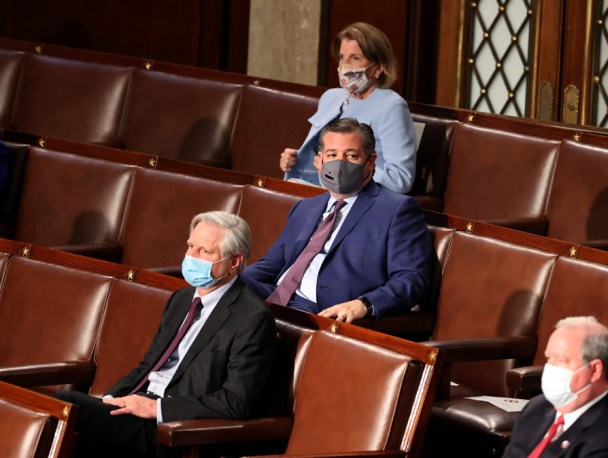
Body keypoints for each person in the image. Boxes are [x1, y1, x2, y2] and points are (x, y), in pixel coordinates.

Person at [56, 212, 277, 457]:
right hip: (139, 408)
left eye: (204, 251)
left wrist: (158, 408)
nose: (191, 256)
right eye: (190, 246)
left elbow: (235, 402)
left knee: (66, 406)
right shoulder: (181, 300)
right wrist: (110, 399)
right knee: (65, 418)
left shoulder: (252, 317)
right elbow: (147, 367)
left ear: (234, 261)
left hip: (176, 430)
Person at [242, 117, 431, 323]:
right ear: (320, 160)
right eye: (332, 155)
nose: (340, 164)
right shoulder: (305, 207)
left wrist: (364, 304)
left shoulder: (396, 209)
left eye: (351, 156)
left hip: (324, 311)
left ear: (371, 161)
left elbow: (412, 279)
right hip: (278, 297)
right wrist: (229, 280)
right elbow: (271, 264)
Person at [280, 22, 417, 194]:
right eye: (342, 57)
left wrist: (342, 171)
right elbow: (321, 159)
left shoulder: (392, 106)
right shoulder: (330, 97)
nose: (345, 66)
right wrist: (294, 160)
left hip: (356, 199)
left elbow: (400, 179)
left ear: (379, 67)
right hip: (311, 190)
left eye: (355, 58)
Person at [503, 316, 608, 457]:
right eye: (549, 358)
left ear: (594, 370)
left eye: (561, 360)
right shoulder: (536, 408)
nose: (550, 368)